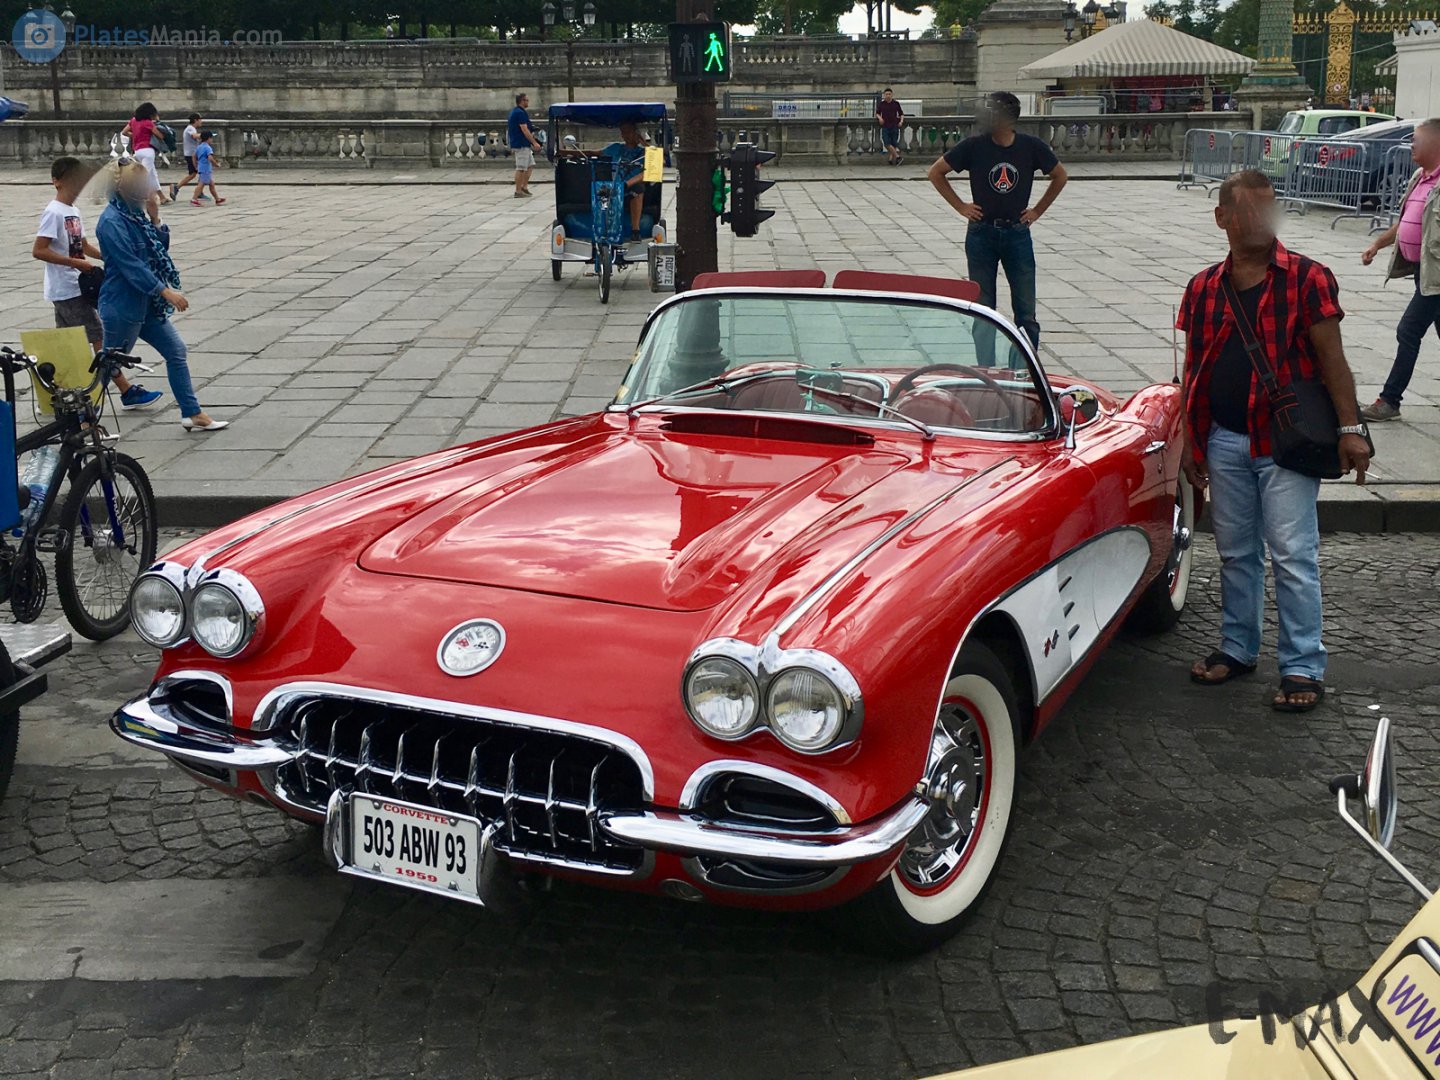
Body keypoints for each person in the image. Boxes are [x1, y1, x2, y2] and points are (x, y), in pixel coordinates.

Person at [1178, 169, 1370, 712]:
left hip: (1285, 443)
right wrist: (1190, 440)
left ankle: (1302, 665)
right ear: (1222, 218)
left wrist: (1351, 429)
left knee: (1292, 556)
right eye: (1249, 211)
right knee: (1235, 553)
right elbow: (1193, 369)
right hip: (1225, 440)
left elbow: (1333, 361)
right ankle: (1238, 648)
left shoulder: (1308, 279)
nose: (1262, 221)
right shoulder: (1202, 287)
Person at [927, 91, 1068, 364]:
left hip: (1017, 234)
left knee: (1026, 312)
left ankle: (1022, 371)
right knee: (983, 310)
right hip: (982, 234)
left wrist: (1037, 211)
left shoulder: (1030, 146)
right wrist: (961, 206)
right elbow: (936, 172)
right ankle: (987, 370)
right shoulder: (974, 146)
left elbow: (1060, 176)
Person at [96, 161, 227, 433]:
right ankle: (80, 416)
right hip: (122, 305)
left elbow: (158, 252)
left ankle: (192, 412)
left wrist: (155, 218)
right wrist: (165, 291)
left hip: (146, 304)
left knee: (176, 351)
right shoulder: (111, 221)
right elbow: (131, 265)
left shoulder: (136, 216)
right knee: (109, 366)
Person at [32, 157, 162, 409]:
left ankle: (54, 396)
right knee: (100, 338)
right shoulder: (53, 212)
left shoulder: (72, 211)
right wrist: (75, 263)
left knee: (66, 345)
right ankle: (126, 391)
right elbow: (39, 250)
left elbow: (82, 245)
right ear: (56, 182)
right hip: (67, 288)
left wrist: (108, 256)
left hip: (75, 285)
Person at [1359, 118, 1440, 422]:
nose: (1411, 145)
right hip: (1424, 271)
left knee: (1408, 330)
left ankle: (1390, 400)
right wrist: (1377, 244)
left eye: (1416, 140)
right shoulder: (1420, 177)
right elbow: (1406, 221)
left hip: (1437, 276)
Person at [601, 122, 649, 241]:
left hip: (630, 188)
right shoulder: (616, 148)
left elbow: (660, 162)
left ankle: (635, 230)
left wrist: (644, 143)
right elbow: (594, 153)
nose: (625, 135)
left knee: (638, 189)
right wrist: (565, 152)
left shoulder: (644, 152)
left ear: (636, 133)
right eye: (623, 132)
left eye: (629, 132)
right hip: (613, 186)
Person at [121, 103, 165, 224]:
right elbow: (160, 135)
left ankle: (162, 197)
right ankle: (142, 198)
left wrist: (135, 135)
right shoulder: (148, 123)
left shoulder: (133, 121)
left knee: (152, 174)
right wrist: (157, 122)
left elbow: (124, 132)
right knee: (145, 176)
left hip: (137, 150)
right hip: (148, 150)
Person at [508, 93, 543, 199]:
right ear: (521, 101)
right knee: (521, 167)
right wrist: (534, 142)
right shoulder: (520, 113)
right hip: (521, 144)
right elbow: (524, 129)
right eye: (526, 100)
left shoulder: (518, 112)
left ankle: (524, 187)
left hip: (523, 143)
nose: (528, 102)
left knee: (530, 165)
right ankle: (518, 191)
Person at [169, 113, 205, 203]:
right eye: (200, 119)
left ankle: (199, 191)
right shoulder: (190, 128)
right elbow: (194, 136)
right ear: (196, 120)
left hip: (193, 154)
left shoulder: (192, 128)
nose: (201, 121)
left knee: (199, 172)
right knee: (194, 173)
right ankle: (176, 187)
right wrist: (206, 135)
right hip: (191, 155)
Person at [190, 132, 225, 206]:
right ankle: (194, 199)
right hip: (206, 169)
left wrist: (195, 165)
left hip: (201, 167)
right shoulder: (208, 148)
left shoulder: (199, 147)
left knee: (211, 184)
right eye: (211, 138)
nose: (212, 140)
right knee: (201, 184)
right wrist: (216, 164)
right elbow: (210, 158)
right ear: (208, 138)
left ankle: (217, 199)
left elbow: (194, 156)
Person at [876, 88, 905, 166]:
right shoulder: (882, 104)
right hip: (885, 126)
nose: (888, 96)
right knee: (886, 143)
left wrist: (901, 121)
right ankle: (898, 157)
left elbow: (901, 114)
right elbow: (877, 113)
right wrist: (880, 118)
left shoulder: (896, 103)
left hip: (894, 125)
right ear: (884, 95)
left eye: (889, 94)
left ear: (892, 95)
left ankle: (891, 159)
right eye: (886, 94)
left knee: (893, 143)